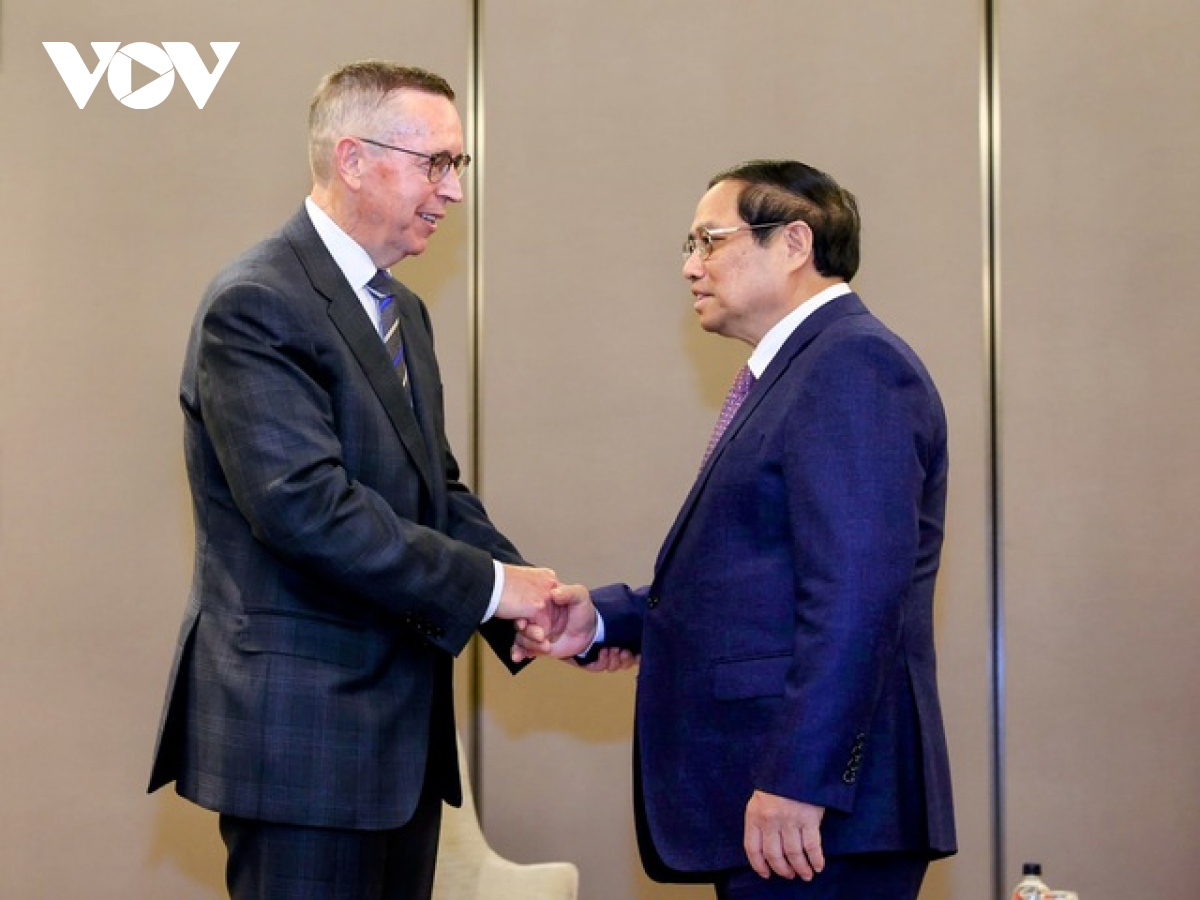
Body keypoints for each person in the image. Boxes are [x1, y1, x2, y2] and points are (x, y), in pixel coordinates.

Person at [148, 61, 561, 900]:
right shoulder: (257, 302)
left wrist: (531, 599)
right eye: (435, 163)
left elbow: (435, 492)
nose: (453, 190)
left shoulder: (403, 311)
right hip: (303, 744)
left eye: (457, 165)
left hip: (398, 743)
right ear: (354, 160)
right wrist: (493, 590)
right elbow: (306, 510)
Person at [519, 160, 957, 899]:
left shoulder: (853, 365)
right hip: (788, 813)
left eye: (708, 241)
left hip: (816, 817)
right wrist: (604, 620)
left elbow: (856, 596)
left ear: (793, 243)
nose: (690, 267)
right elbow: (756, 583)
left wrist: (800, 778)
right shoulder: (801, 371)